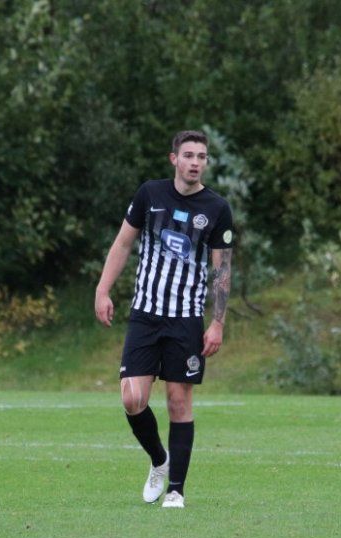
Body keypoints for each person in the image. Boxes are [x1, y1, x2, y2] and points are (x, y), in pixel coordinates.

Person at [95, 130, 233, 509]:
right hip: (145, 313)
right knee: (132, 398)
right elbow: (123, 243)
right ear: (174, 159)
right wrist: (103, 290)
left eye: (201, 156)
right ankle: (159, 460)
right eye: (188, 155)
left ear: (206, 162)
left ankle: (176, 490)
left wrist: (217, 322)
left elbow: (221, 271)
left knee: (178, 402)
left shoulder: (216, 208)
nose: (195, 162)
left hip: (185, 319)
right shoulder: (150, 194)